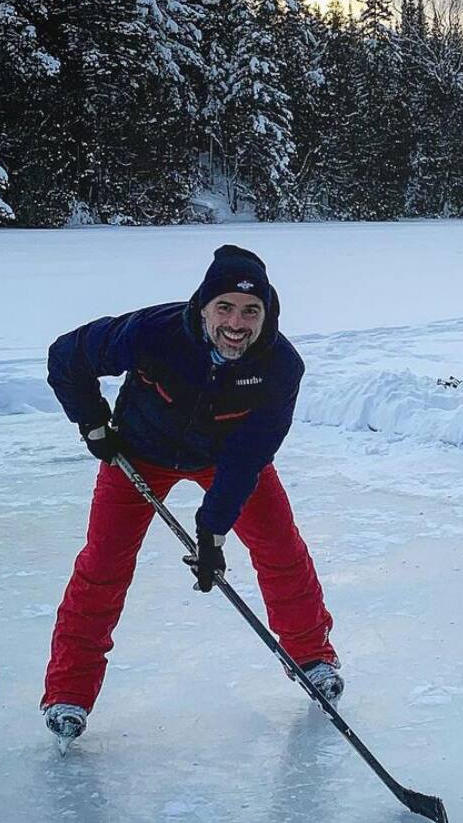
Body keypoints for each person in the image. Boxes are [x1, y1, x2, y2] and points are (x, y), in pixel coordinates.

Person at [42, 244, 342, 749]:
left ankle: (312, 658)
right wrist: (92, 422)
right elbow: (67, 356)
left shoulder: (279, 366)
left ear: (267, 314)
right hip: (137, 454)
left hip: (224, 459)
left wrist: (213, 528)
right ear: (202, 307)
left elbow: (250, 454)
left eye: (251, 311)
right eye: (224, 307)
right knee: (103, 565)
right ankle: (68, 693)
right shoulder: (152, 332)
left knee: (280, 549)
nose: (236, 323)